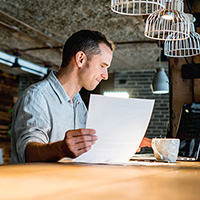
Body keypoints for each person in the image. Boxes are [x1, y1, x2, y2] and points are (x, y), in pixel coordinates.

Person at [11, 29, 151, 164]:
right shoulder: (37, 97)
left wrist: (123, 145)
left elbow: (86, 149)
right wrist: (61, 149)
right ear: (81, 59)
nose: (105, 75)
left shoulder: (79, 104)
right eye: (102, 65)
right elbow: (28, 153)